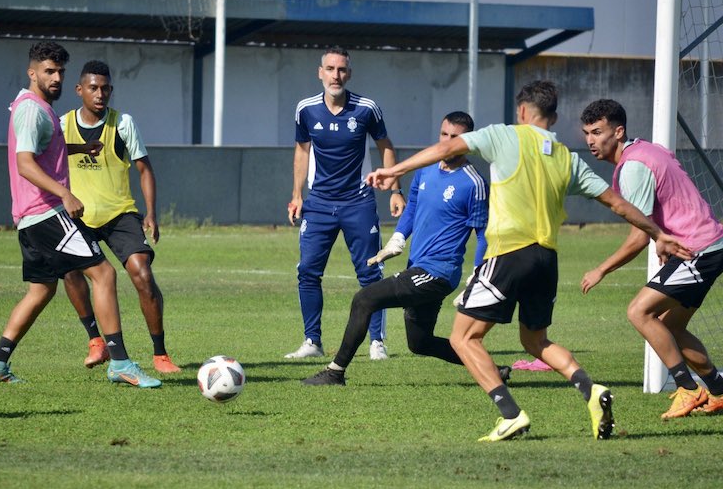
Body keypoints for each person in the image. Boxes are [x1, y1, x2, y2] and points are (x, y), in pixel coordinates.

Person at [367, 80, 691, 441]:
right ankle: (591, 389)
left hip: (508, 253)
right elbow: (617, 203)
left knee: (463, 338)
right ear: (552, 116)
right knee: (535, 340)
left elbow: (449, 147)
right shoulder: (567, 157)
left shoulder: (505, 136)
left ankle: (511, 414)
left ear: (522, 111)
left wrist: (395, 171)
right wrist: (657, 233)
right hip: (546, 259)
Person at [0, 41, 160, 388]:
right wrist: (64, 192)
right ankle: (120, 362)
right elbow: (25, 163)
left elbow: (41, 149)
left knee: (40, 291)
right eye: (49, 71)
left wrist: (77, 147)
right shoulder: (32, 109)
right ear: (32, 73)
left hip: (29, 219)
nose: (56, 77)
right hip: (46, 212)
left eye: (60, 71)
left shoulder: (33, 107)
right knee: (104, 275)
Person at [302, 111, 510, 385]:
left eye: (455, 137)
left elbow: (484, 234)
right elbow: (412, 207)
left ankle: (335, 372)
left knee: (364, 299)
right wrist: (397, 239)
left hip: (439, 272)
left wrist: (477, 273)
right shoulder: (426, 167)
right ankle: (494, 372)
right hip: (418, 266)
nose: (447, 141)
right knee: (420, 342)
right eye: (444, 134)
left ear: (468, 141)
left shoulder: (473, 183)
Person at [580, 99, 723, 418]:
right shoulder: (646, 151)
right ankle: (721, 391)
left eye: (598, 132)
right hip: (707, 246)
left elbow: (638, 236)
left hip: (697, 250)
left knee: (639, 311)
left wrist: (601, 269)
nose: (591, 140)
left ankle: (688, 389)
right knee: (671, 329)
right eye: (586, 133)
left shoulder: (634, 166)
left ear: (618, 131)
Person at [286, 46, 406, 360]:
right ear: (320, 72)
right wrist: (297, 195)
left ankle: (377, 342)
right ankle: (312, 342)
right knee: (308, 272)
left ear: (348, 74)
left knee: (370, 273)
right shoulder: (306, 109)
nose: (335, 75)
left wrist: (394, 189)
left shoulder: (367, 108)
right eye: (330, 69)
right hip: (320, 204)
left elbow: (386, 147)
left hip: (358, 203)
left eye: (341, 70)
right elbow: (302, 151)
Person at [60, 60, 180, 374]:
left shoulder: (122, 123)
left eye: (106, 88)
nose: (100, 94)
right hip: (79, 217)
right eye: (93, 88)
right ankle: (95, 341)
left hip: (119, 214)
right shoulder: (61, 125)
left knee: (142, 274)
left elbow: (145, 169)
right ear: (79, 90)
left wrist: (151, 213)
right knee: (70, 272)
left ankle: (160, 354)